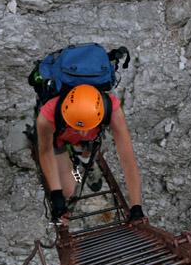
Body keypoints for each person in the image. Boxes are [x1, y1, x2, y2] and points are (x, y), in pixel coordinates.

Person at [36, 83, 144, 224]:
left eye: (87, 127)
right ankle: (77, 171)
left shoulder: (112, 111)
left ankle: (85, 163)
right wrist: (57, 194)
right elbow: (45, 151)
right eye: (77, 128)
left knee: (88, 150)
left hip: (88, 140)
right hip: (59, 138)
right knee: (68, 190)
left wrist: (136, 206)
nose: (83, 133)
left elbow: (128, 161)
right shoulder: (48, 115)